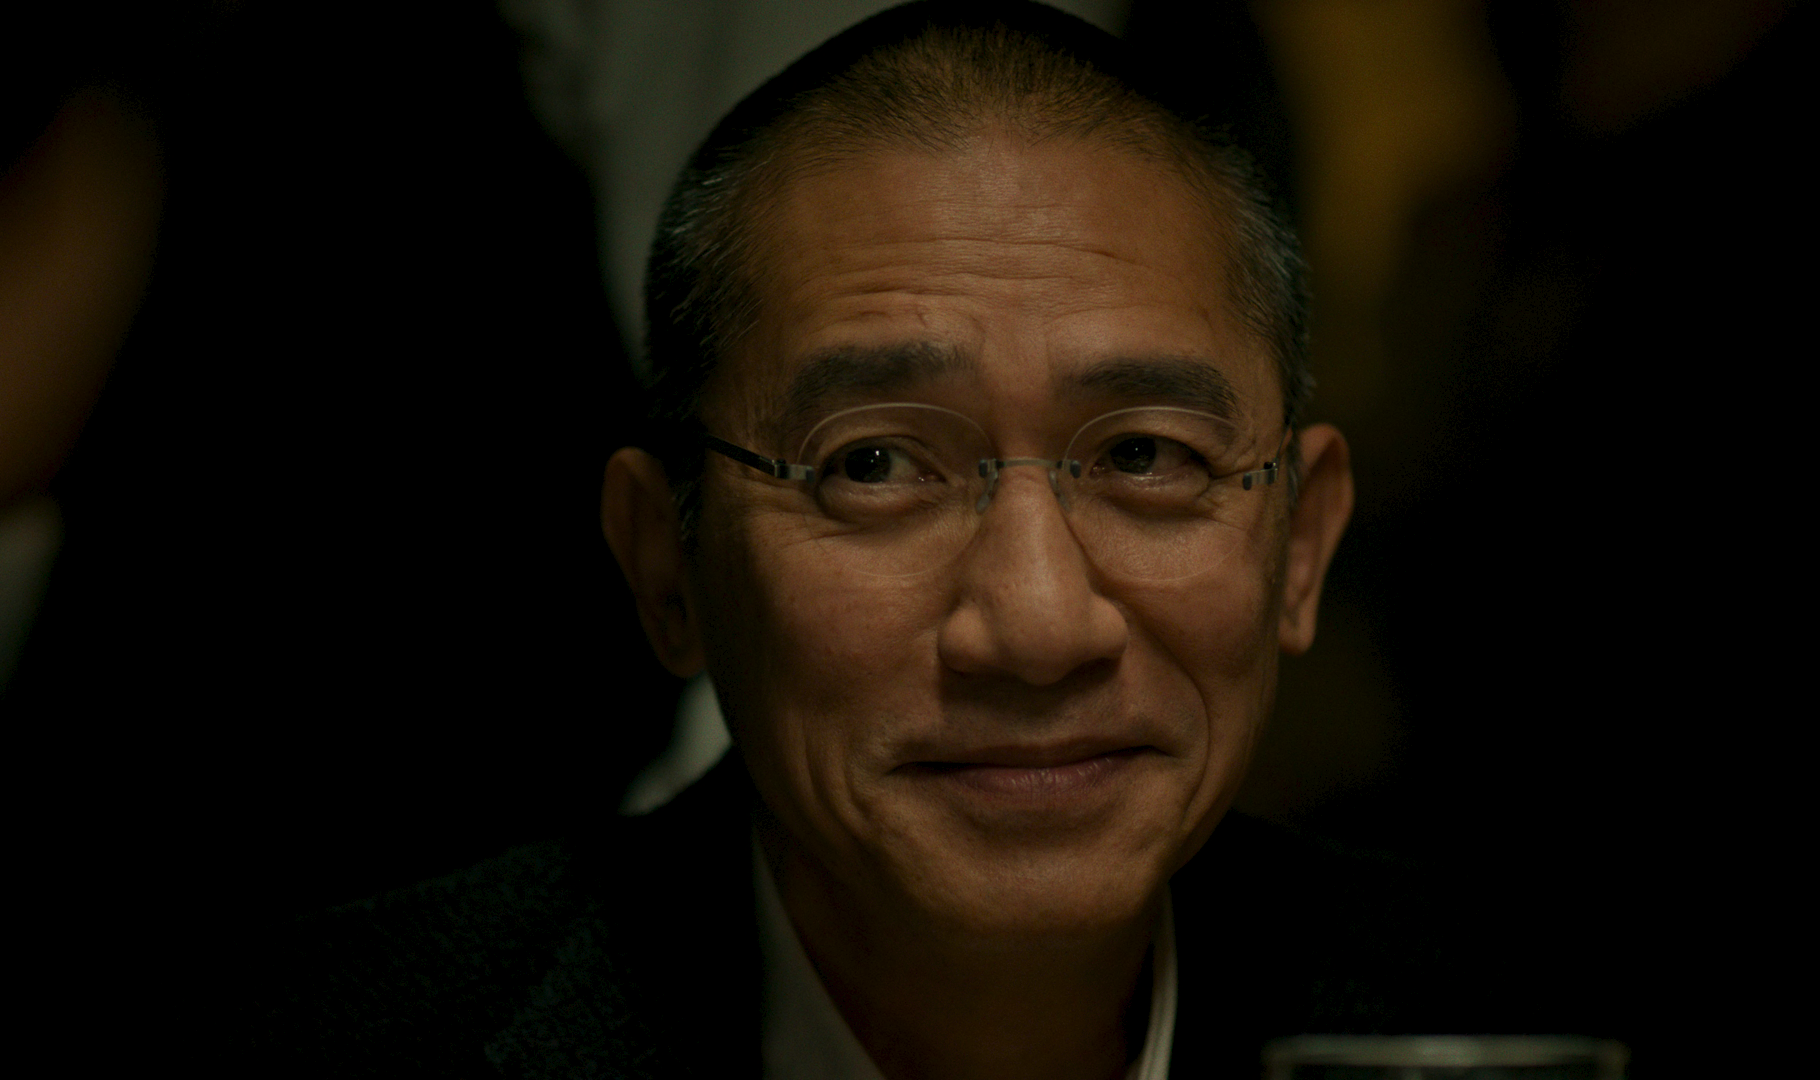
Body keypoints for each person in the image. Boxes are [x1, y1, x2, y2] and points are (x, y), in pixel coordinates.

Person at [242, 5, 1457, 1076]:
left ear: (1300, 545)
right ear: (667, 568)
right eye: (873, 466)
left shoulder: (1509, 1016)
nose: (1037, 626)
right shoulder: (315, 1043)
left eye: (1145, 457)